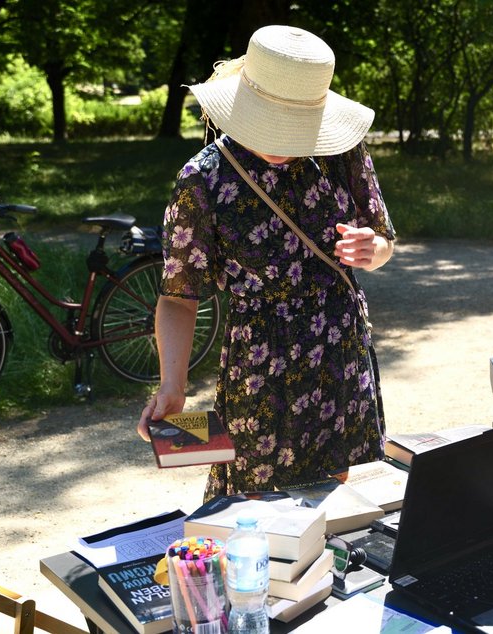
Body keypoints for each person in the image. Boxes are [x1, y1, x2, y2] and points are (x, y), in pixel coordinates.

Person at [137, 25, 395, 501]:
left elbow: (382, 241)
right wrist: (173, 384)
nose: (281, 142)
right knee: (250, 511)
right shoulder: (204, 180)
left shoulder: (343, 152)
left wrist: (371, 249)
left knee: (331, 508)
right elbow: (178, 296)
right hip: (261, 368)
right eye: (268, 123)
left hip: (340, 353)